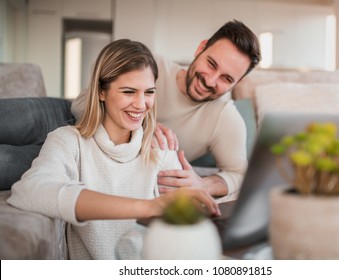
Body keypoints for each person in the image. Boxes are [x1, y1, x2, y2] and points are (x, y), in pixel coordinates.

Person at [7, 39, 220, 260]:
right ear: (101, 92)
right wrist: (147, 207)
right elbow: (30, 191)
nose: (141, 104)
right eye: (129, 92)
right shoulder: (69, 142)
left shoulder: (161, 151)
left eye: (149, 92)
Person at [72, 20, 261, 198]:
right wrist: (141, 125)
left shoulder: (225, 118)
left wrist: (204, 185)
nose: (210, 80)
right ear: (200, 48)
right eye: (211, 64)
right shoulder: (151, 67)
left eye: (226, 79)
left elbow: (239, 174)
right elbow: (80, 104)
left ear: (238, 82)